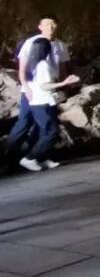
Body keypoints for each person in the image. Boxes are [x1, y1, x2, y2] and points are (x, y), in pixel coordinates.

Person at [5, 16, 68, 166]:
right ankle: (8, 157)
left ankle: (37, 157)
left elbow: (62, 67)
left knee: (45, 123)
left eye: (53, 24)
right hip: (32, 89)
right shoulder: (32, 42)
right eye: (47, 24)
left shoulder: (61, 45)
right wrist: (26, 88)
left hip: (49, 89)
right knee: (25, 122)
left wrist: (64, 86)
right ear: (40, 26)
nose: (51, 27)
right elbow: (23, 69)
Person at [18, 38, 79, 172]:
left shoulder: (31, 64)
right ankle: (29, 158)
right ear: (47, 50)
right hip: (42, 102)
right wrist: (64, 83)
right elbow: (44, 85)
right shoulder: (43, 65)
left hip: (37, 102)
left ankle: (41, 158)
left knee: (43, 131)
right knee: (52, 133)